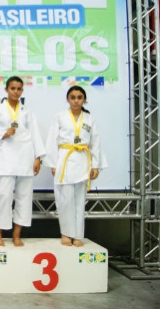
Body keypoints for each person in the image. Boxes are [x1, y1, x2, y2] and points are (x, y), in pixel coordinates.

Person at [0, 76, 45, 247]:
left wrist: (38, 158)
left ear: (22, 91)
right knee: (4, 195)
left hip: (26, 156)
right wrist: (3, 134)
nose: (16, 92)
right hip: (7, 157)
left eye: (19, 89)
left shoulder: (27, 112)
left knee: (24, 196)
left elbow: (35, 134)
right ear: (6, 89)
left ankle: (17, 234)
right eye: (12, 88)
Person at [44, 86, 107, 247]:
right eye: (73, 97)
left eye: (79, 97)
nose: (76, 100)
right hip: (64, 159)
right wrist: (53, 163)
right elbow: (52, 139)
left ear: (84, 99)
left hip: (82, 160)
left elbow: (95, 142)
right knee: (65, 200)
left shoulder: (89, 118)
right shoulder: (60, 116)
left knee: (79, 201)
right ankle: (66, 233)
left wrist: (95, 165)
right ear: (68, 99)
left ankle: (78, 235)